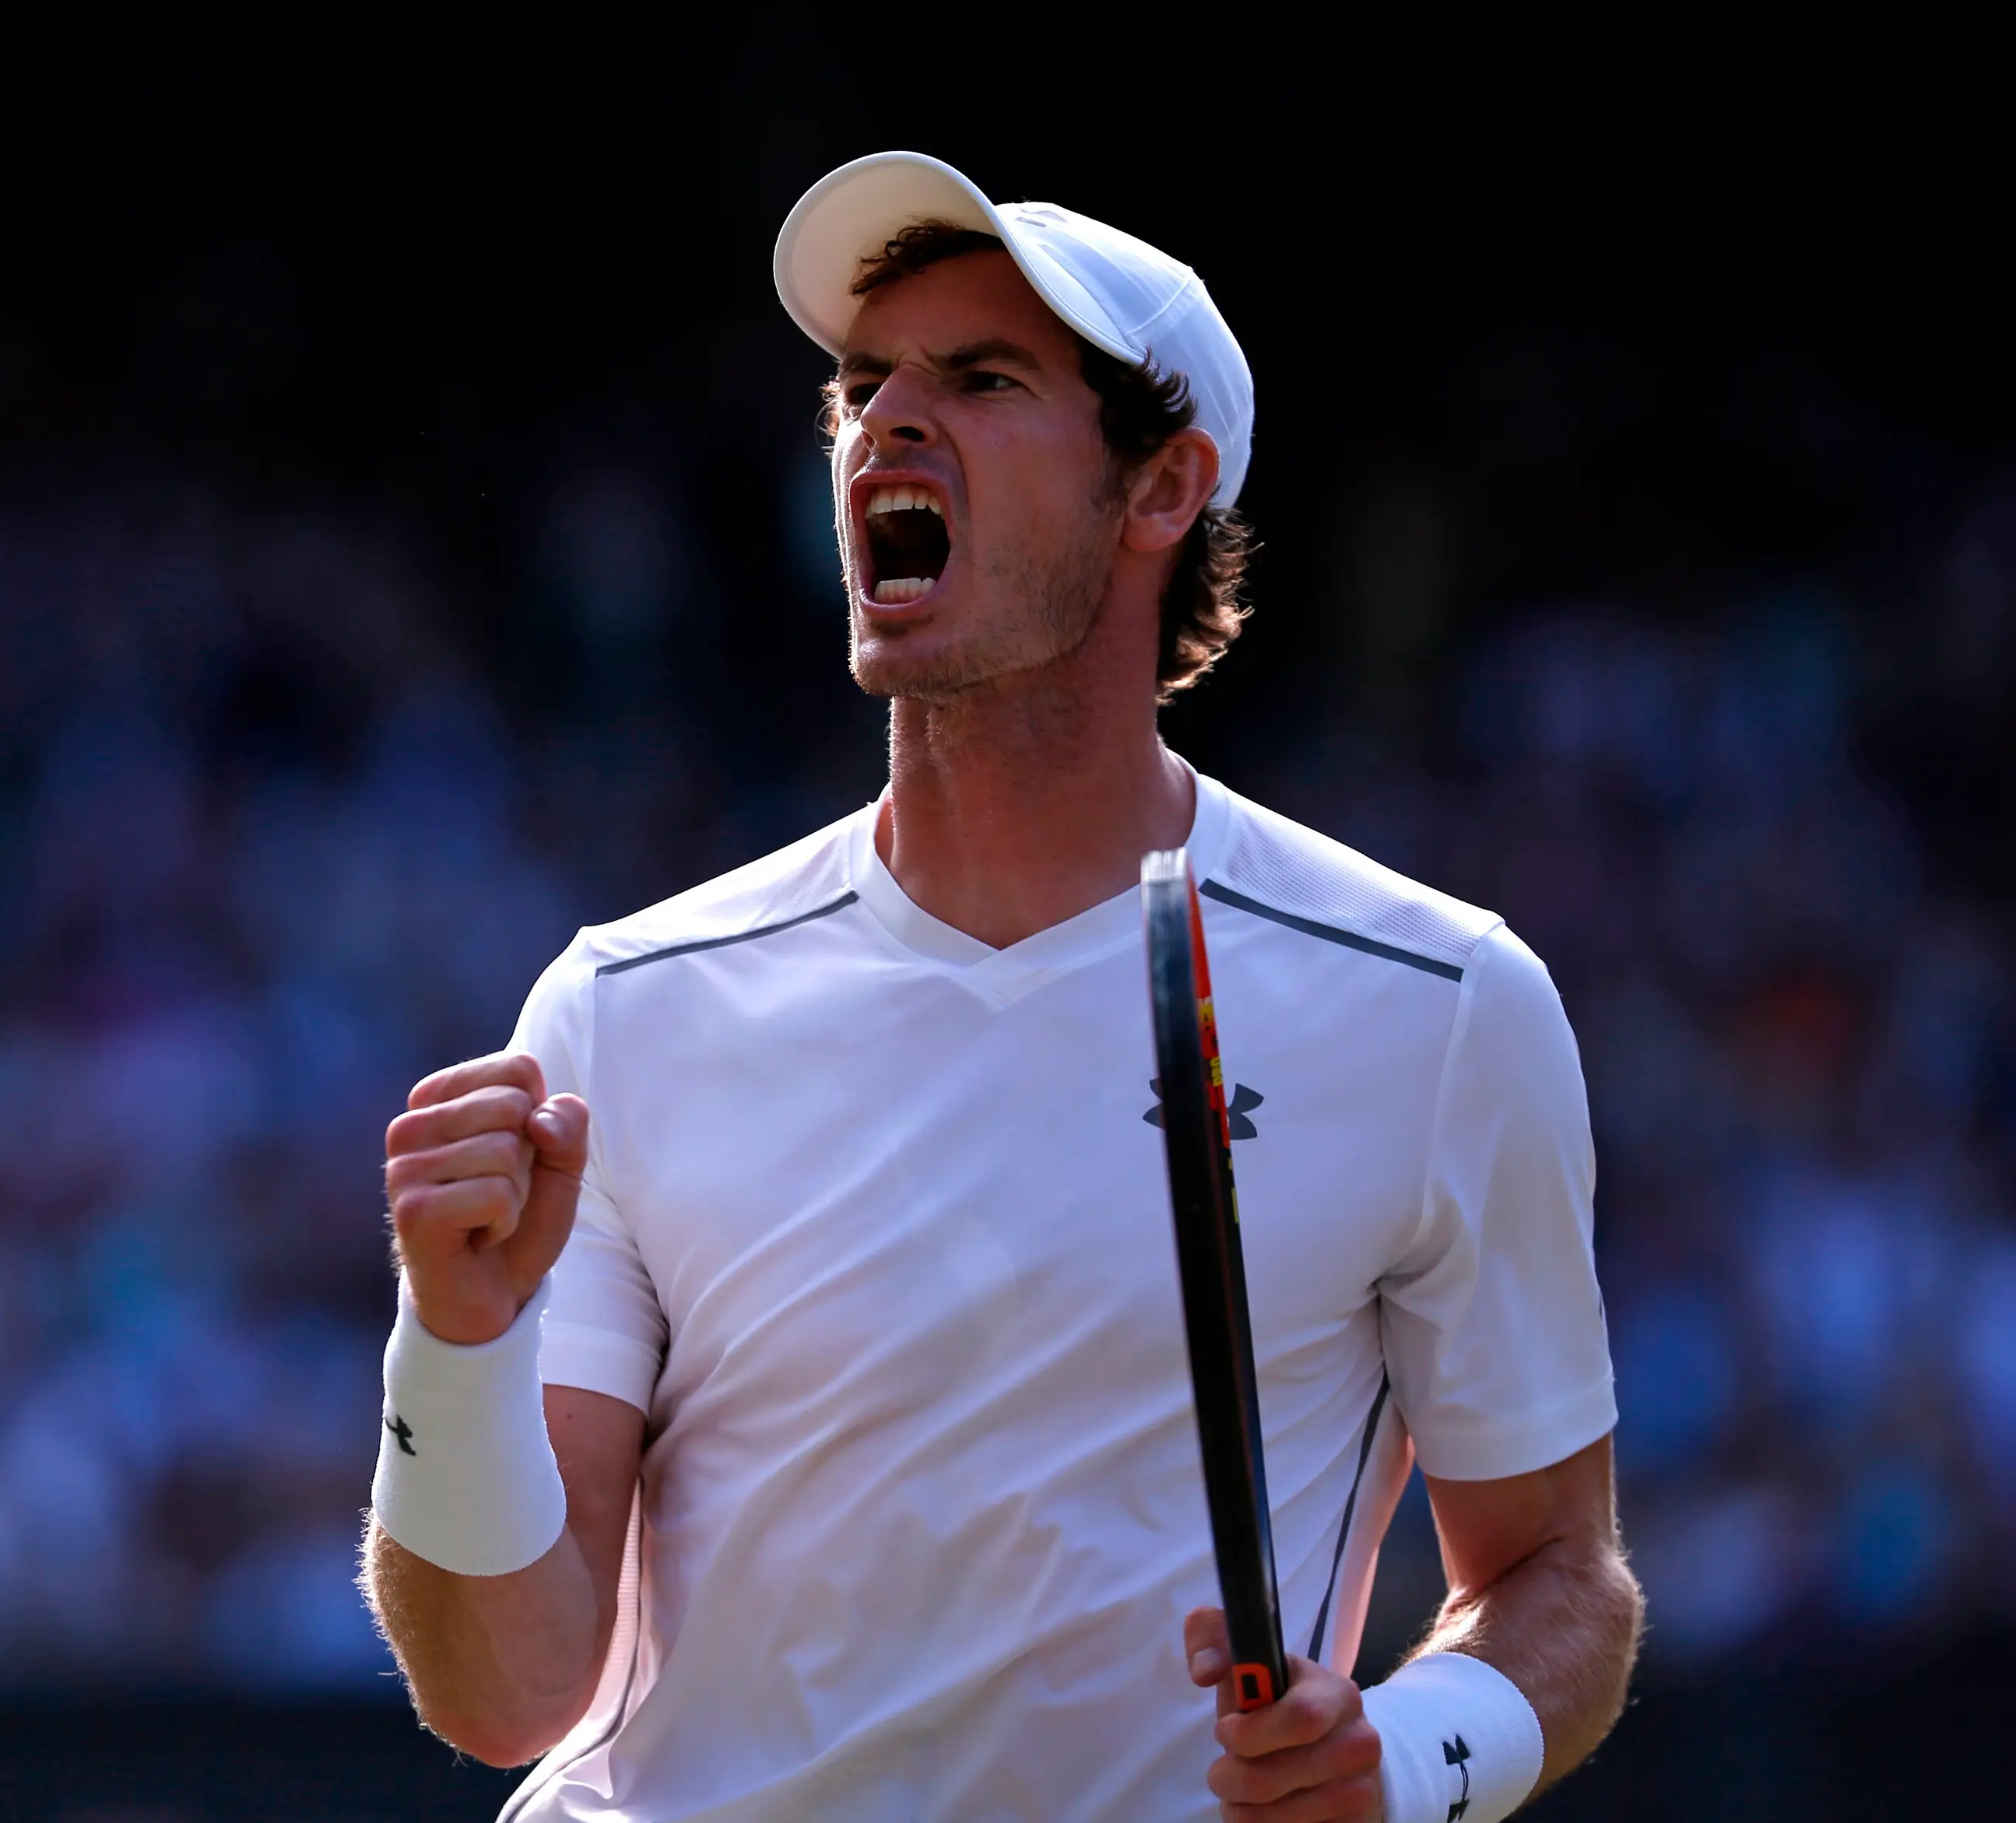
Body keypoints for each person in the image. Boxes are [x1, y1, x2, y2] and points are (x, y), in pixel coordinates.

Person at [360, 152, 1639, 1822]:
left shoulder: (1445, 999)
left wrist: (1402, 1760)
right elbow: (505, 1693)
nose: (887, 419)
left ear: (1162, 488)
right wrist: (451, 1345)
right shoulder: (620, 1006)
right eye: (863, 383)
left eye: (982, 379)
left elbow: (1562, 1578)